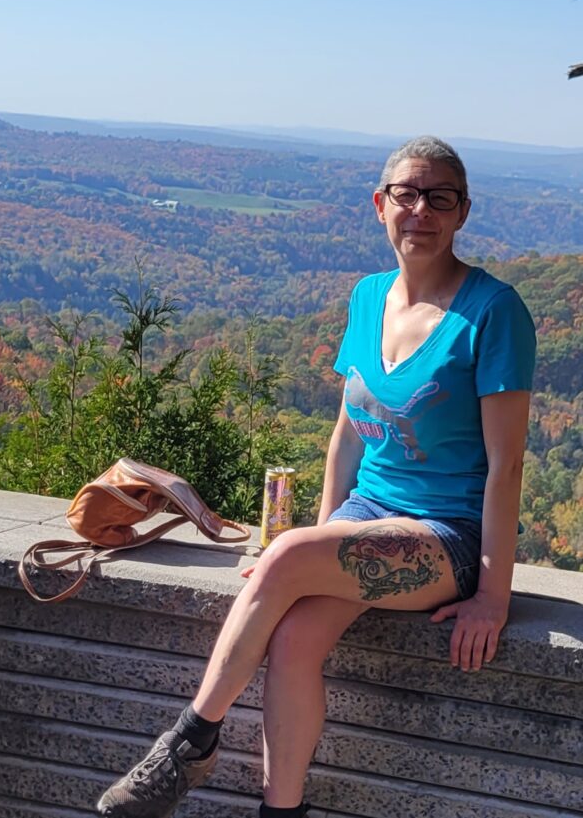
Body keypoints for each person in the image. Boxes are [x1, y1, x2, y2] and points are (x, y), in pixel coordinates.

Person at [95, 135, 536, 818]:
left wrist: (493, 598)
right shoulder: (367, 299)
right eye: (406, 194)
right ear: (378, 205)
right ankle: (282, 810)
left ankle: (190, 741)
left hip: (444, 537)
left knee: (288, 554)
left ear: (462, 212)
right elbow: (345, 435)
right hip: (366, 517)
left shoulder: (492, 312)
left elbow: (506, 466)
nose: (421, 209)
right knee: (294, 638)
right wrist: (317, 548)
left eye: (439, 197)